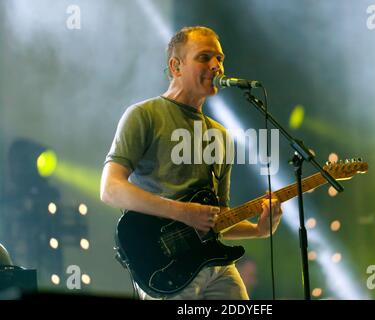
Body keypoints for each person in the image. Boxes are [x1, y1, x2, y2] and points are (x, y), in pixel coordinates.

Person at [100, 26, 283, 300]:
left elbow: (216, 219)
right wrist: (182, 212)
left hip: (216, 266)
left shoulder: (221, 136)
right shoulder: (143, 115)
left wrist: (259, 230)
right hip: (166, 269)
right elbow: (110, 189)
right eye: (204, 57)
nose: (216, 66)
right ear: (176, 66)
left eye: (220, 58)